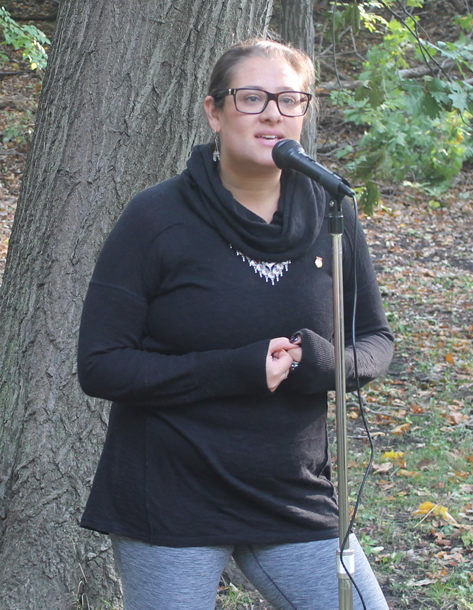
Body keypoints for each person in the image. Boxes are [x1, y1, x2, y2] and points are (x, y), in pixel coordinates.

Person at [78, 39, 394, 610]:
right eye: (252, 98)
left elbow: (373, 341)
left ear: (305, 111)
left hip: (292, 491)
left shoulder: (332, 212)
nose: (273, 112)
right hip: (172, 493)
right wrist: (238, 368)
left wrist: (323, 363)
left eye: (290, 99)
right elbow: (101, 365)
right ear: (214, 111)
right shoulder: (156, 217)